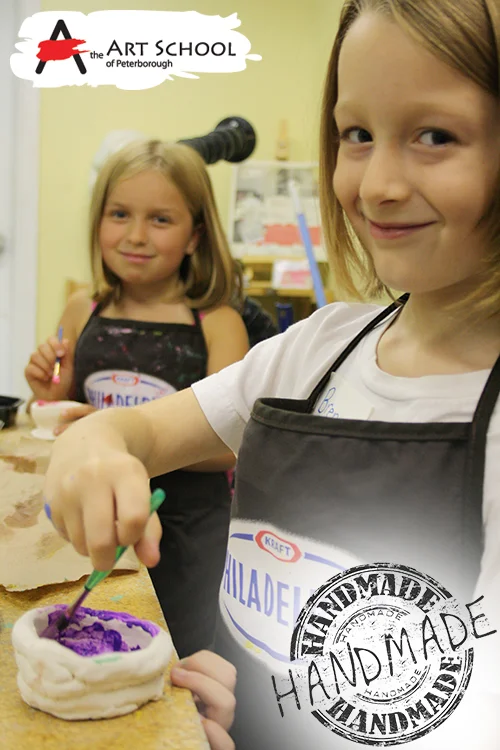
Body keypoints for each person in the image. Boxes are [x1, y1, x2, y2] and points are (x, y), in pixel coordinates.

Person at [41, 0, 500, 746]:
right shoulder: (315, 350)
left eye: (436, 136)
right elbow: (137, 431)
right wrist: (94, 447)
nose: (377, 185)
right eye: (357, 135)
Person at [25, 140, 249, 659]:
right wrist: (50, 393)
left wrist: (120, 433)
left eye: (160, 220)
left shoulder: (218, 323)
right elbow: (67, 403)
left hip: (189, 536)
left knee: (174, 656)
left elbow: (231, 444)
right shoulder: (82, 308)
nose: (136, 236)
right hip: (95, 526)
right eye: (119, 214)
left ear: (195, 236)